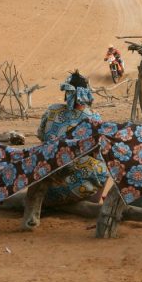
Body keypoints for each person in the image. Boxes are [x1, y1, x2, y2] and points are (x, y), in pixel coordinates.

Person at [37, 70, 107, 204]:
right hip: (76, 185)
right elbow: (98, 150)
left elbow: (41, 135)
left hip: (46, 179)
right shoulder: (93, 117)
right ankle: (92, 203)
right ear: (86, 93)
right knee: (104, 165)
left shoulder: (52, 110)